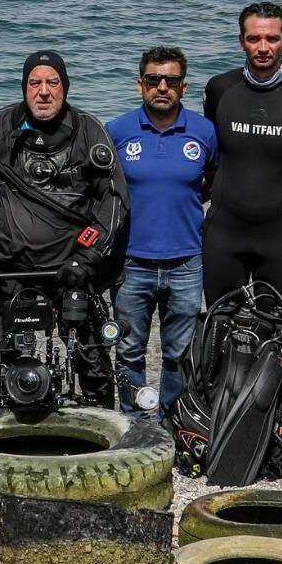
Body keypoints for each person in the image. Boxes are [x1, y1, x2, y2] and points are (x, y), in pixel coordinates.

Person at [0, 50, 129, 405]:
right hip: (6, 265)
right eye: (34, 83)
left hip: (69, 266)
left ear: (65, 88)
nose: (44, 92)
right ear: (24, 88)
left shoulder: (88, 130)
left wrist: (89, 255)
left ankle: (101, 428)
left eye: (53, 83)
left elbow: (114, 199)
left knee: (93, 360)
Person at [199, 2, 282, 305]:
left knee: (275, 334)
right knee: (217, 332)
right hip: (224, 234)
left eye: (272, 38)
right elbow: (211, 153)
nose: (263, 47)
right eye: (254, 38)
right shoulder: (219, 88)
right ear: (241, 40)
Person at [108, 44, 214, 412]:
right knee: (128, 350)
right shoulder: (117, 131)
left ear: (184, 87)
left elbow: (212, 183)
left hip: (187, 262)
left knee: (179, 353)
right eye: (154, 80)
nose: (162, 87)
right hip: (130, 262)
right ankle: (135, 421)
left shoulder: (204, 132)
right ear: (141, 85)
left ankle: (174, 422)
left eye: (172, 80)